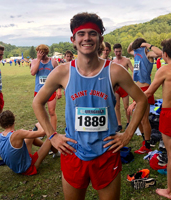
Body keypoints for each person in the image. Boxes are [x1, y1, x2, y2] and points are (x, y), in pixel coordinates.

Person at [32, 12, 147, 200]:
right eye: (82, 33)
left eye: (93, 33)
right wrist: (52, 136)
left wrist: (127, 135)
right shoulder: (62, 72)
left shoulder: (115, 71)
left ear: (100, 38)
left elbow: (141, 100)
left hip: (107, 153)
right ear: (73, 39)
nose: (87, 38)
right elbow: (37, 102)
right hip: (73, 151)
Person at [131, 38, 171, 199]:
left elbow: (149, 92)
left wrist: (134, 103)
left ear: (165, 54)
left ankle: (170, 191)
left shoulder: (164, 70)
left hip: (170, 114)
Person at [127, 38, 162, 154]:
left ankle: (147, 145)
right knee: (138, 118)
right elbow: (128, 50)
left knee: (144, 118)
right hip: (136, 89)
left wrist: (147, 44)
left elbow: (160, 53)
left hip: (145, 89)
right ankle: (145, 140)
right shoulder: (136, 53)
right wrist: (133, 43)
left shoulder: (148, 54)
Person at [0, 110, 54, 175]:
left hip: (16, 168)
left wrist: (30, 133)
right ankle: (56, 152)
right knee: (51, 137)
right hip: (28, 169)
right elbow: (42, 133)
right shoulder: (18, 134)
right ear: (13, 120)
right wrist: (38, 124)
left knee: (30, 135)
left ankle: (47, 148)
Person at [31, 44, 61, 131]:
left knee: (51, 112)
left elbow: (59, 76)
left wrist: (59, 90)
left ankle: (53, 132)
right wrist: (38, 60)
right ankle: (41, 130)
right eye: (39, 52)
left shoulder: (53, 62)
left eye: (42, 53)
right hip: (38, 91)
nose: (41, 54)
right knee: (40, 112)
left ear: (46, 53)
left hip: (50, 90)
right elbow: (33, 73)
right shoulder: (34, 61)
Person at [112, 43, 134, 132]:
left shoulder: (127, 60)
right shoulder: (112, 62)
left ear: (122, 51)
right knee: (116, 106)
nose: (118, 53)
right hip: (117, 87)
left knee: (126, 106)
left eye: (119, 51)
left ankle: (128, 122)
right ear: (114, 52)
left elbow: (133, 71)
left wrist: (131, 80)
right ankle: (119, 124)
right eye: (116, 51)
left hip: (125, 86)